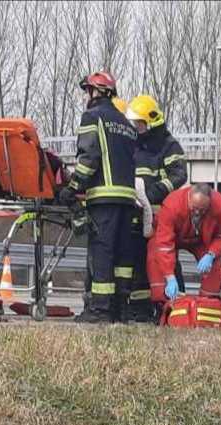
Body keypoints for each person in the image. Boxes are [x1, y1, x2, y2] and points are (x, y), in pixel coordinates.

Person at [56, 71, 138, 324]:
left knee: (102, 253)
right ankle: (120, 309)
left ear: (96, 92)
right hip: (127, 199)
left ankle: (100, 310)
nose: (86, 97)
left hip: (103, 198)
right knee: (123, 256)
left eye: (87, 91)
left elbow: (89, 157)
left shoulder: (92, 117)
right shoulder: (126, 124)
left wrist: (72, 187)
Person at [125, 95, 186, 323]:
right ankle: (141, 309)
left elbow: (179, 174)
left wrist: (155, 192)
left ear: (151, 121)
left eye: (140, 123)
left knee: (166, 261)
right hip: (139, 214)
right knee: (139, 262)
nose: (137, 128)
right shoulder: (135, 145)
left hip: (162, 216)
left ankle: (175, 307)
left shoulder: (168, 145)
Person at [147, 183, 221, 306]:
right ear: (189, 198)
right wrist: (169, 276)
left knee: (216, 268)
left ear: (210, 203)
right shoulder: (172, 205)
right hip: (173, 237)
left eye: (202, 210)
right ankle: (161, 305)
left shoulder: (220, 205)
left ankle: (207, 304)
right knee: (155, 254)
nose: (197, 213)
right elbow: (164, 245)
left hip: (201, 240)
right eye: (194, 208)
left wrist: (211, 253)